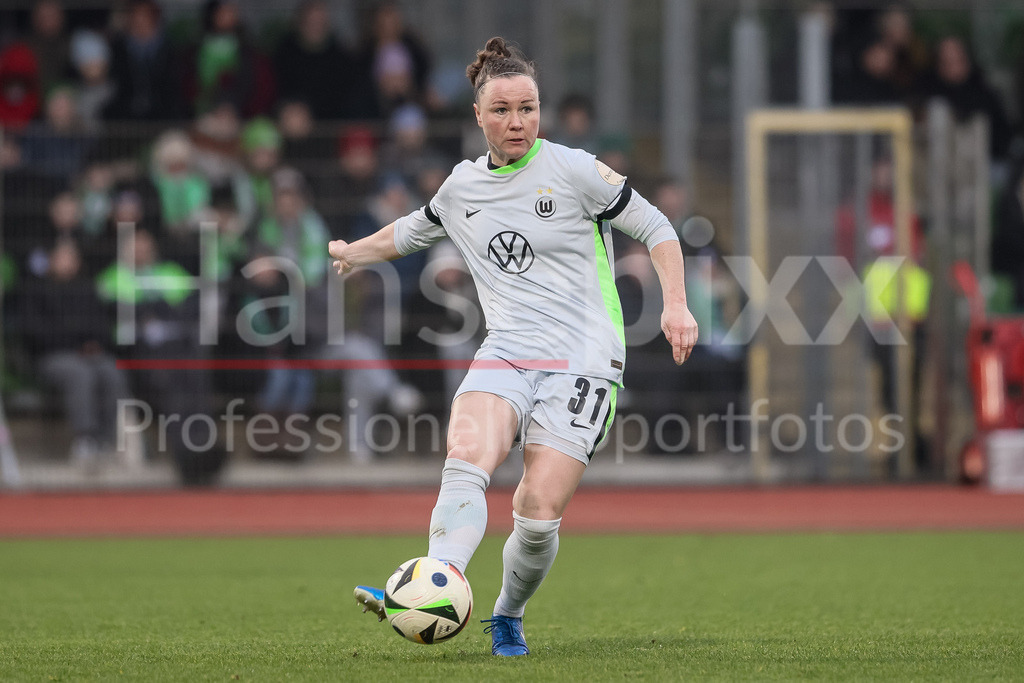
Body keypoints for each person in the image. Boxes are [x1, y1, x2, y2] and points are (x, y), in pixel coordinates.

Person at [332, 37, 697, 656]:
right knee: (467, 454)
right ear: (478, 115)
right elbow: (414, 230)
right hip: (507, 350)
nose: (517, 121)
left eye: (527, 108)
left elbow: (656, 226)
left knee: (537, 509)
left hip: (585, 360)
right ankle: (436, 581)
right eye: (501, 110)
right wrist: (354, 252)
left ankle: (506, 613)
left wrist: (677, 304)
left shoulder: (574, 170)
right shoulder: (462, 186)